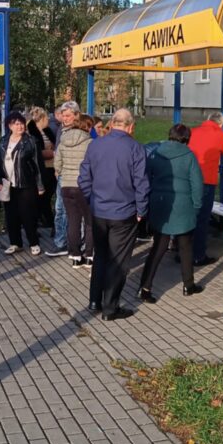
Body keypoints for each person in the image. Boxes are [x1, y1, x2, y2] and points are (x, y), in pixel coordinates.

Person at [78, 108, 149, 321]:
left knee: (100, 256)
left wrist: (92, 199)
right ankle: (110, 308)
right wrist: (141, 210)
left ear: (112, 124)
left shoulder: (95, 144)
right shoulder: (135, 148)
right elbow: (141, 183)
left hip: (99, 210)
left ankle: (94, 301)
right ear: (130, 126)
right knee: (118, 261)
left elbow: (83, 177)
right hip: (124, 213)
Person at [137, 124, 205, 303]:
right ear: (187, 138)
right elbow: (197, 184)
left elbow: (146, 177)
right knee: (185, 247)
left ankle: (145, 287)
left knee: (158, 247)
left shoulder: (157, 152)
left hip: (160, 204)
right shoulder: (189, 156)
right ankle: (188, 286)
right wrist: (196, 206)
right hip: (183, 206)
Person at [0, 110, 45, 255]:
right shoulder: (3, 141)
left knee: (28, 215)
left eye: (21, 124)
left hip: (26, 184)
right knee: (11, 215)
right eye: (16, 124)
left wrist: (40, 185)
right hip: (7, 185)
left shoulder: (31, 141)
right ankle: (15, 243)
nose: (20, 127)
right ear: (10, 126)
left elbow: (38, 165)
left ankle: (34, 242)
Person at [187, 111, 223, 267]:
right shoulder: (221, 135)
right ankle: (198, 255)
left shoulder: (193, 131)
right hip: (206, 182)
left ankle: (183, 254)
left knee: (189, 217)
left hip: (188, 180)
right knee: (202, 218)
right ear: (221, 123)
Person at [54, 109, 93, 269]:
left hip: (66, 186)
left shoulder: (63, 140)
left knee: (73, 221)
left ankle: (75, 256)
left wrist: (62, 174)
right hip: (83, 187)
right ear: (87, 127)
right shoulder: (90, 142)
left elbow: (57, 164)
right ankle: (89, 255)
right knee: (90, 222)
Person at [29, 107, 64, 253]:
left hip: (51, 167)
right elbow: (35, 152)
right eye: (46, 118)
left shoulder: (47, 131)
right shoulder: (32, 133)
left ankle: (47, 221)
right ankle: (40, 222)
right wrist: (52, 152)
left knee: (49, 196)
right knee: (42, 197)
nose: (49, 120)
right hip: (42, 168)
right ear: (41, 119)